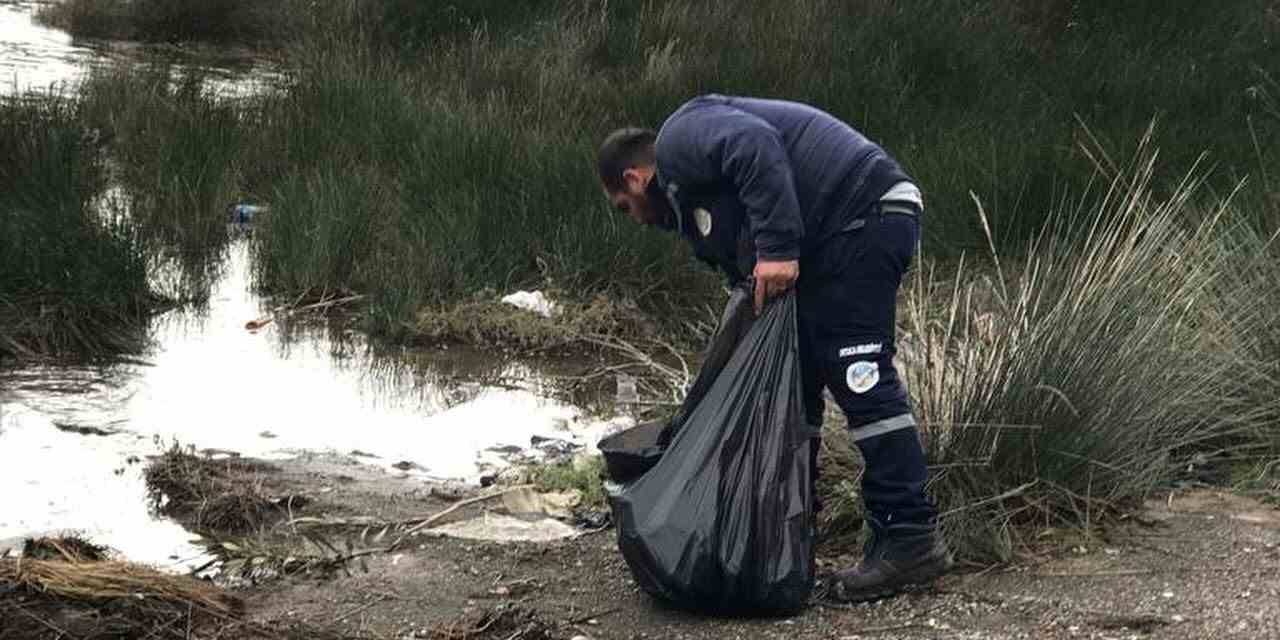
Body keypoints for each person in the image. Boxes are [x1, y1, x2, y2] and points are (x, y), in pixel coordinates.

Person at [596, 94, 952, 602]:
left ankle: (910, 537)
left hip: (862, 212)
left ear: (633, 177)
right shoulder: (695, 206)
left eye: (624, 207)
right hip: (833, 236)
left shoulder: (680, 137)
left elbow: (753, 144)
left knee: (860, 375)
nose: (635, 219)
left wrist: (779, 249)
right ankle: (789, 535)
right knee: (795, 385)